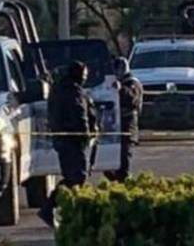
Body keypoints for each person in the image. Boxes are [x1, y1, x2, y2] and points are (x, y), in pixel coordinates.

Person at [38, 61, 97, 227]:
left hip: (63, 139)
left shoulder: (59, 89)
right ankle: (53, 209)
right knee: (77, 176)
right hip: (73, 139)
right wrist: (86, 134)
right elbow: (80, 115)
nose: (85, 79)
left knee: (73, 176)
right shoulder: (73, 91)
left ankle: (58, 209)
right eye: (84, 75)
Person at [105, 58, 143, 183]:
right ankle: (118, 181)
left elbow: (133, 100)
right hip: (116, 127)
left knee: (124, 160)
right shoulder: (113, 83)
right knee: (110, 165)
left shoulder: (133, 83)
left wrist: (121, 89)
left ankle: (125, 184)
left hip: (128, 127)